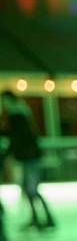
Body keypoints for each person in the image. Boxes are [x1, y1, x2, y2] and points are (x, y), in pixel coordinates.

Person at [0, 90, 55, 231]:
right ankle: (37, 218)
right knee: (29, 189)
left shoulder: (17, 115)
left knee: (32, 190)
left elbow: (17, 137)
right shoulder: (21, 113)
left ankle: (48, 218)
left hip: (30, 158)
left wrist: (8, 153)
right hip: (28, 157)